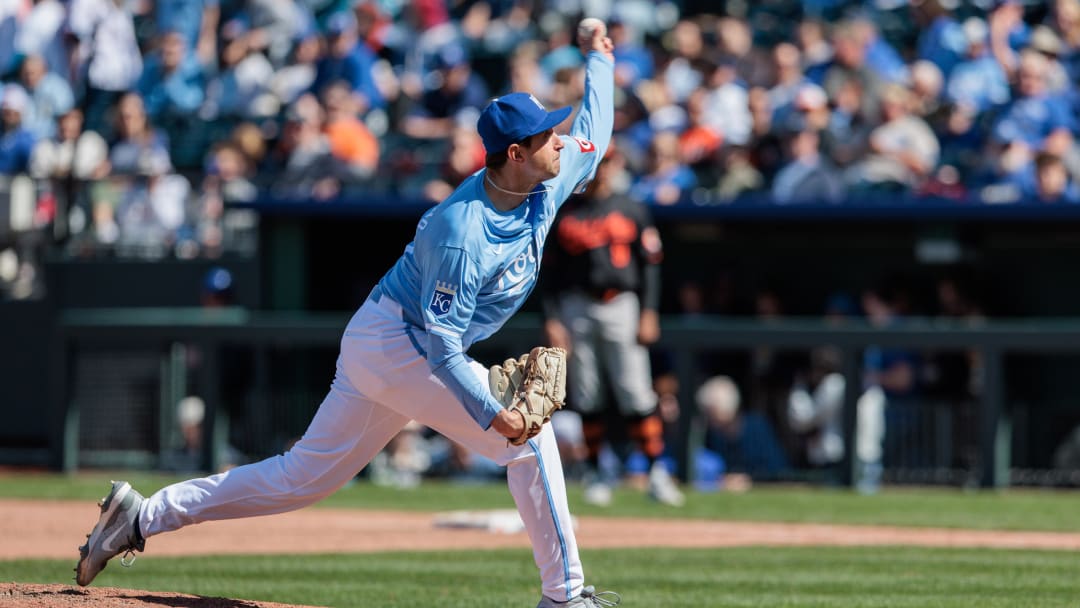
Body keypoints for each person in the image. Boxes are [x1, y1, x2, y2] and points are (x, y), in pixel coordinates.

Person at [75, 22, 619, 608]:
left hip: (386, 338)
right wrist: (495, 415)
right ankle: (565, 598)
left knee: (298, 479)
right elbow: (440, 347)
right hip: (400, 341)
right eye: (545, 135)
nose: (558, 140)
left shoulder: (548, 180)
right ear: (515, 154)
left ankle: (139, 517)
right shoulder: (462, 232)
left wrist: (599, 59)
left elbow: (597, 129)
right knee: (529, 444)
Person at [539, 145, 683, 508]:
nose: (603, 169)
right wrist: (552, 318)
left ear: (617, 163)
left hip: (621, 302)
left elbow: (651, 265)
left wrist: (649, 311)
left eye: (608, 161)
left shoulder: (632, 207)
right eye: (597, 162)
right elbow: (547, 272)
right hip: (577, 304)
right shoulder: (567, 209)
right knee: (587, 393)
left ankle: (655, 471)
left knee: (635, 391)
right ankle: (595, 471)